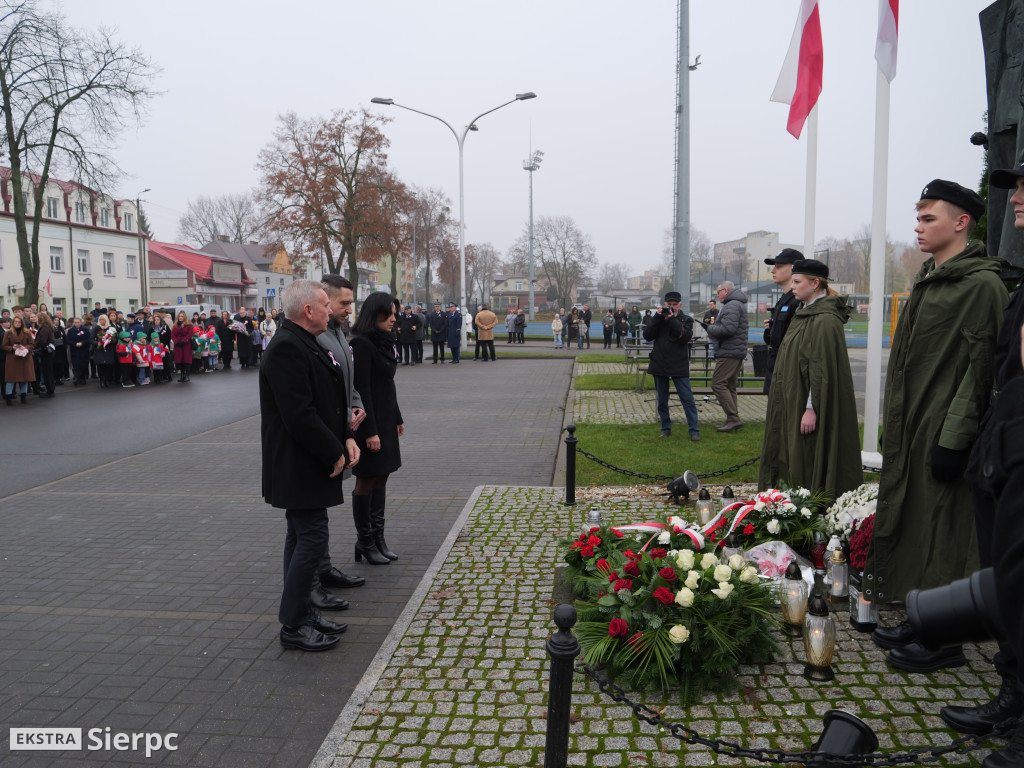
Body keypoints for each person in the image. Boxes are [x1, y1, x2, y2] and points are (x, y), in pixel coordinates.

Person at [864, 179, 1008, 674]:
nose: (919, 227)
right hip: (913, 425)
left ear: (961, 222)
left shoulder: (981, 285)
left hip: (945, 429)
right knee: (913, 519)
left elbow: (980, 368)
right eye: (919, 218)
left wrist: (954, 437)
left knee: (945, 529)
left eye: (929, 218)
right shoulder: (932, 278)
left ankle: (946, 637)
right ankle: (921, 614)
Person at [938, 164, 1024, 755]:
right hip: (1007, 448)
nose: (1015, 198)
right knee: (1012, 582)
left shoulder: (990, 284)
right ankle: (1014, 696)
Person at [260, 279, 359, 652]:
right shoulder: (288, 347)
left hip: (308, 459)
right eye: (325, 304)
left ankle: (302, 614)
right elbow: (299, 414)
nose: (331, 310)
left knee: (301, 537)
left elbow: (326, 400)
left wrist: (345, 436)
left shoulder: (305, 341)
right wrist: (333, 449)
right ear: (309, 311)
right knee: (312, 538)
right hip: (299, 462)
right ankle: (294, 624)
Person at [758, 259, 860, 497]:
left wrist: (811, 407)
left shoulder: (824, 319)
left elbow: (821, 369)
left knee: (806, 454)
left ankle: (805, 504)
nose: (792, 287)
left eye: (797, 282)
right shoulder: (805, 312)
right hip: (793, 397)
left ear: (815, 284)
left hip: (806, 404)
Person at [314, 275, 368, 600]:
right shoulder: (319, 337)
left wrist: (356, 403)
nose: (350, 309)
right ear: (326, 301)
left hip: (339, 429)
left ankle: (323, 567)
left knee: (320, 511)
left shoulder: (338, 333)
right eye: (344, 303)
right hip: (325, 436)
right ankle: (316, 576)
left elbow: (346, 379)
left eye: (352, 302)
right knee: (313, 514)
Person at [349, 292, 404, 565]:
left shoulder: (385, 342)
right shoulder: (362, 344)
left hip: (385, 419)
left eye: (395, 313)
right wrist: (370, 431)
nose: (394, 318)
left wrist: (397, 417)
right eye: (389, 314)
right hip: (370, 423)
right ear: (375, 314)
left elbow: (387, 385)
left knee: (382, 476)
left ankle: (378, 539)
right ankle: (365, 541)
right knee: (367, 480)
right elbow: (363, 389)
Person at [644, 290, 700, 441]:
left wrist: (671, 319)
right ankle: (665, 428)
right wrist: (658, 317)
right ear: (664, 305)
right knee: (662, 399)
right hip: (660, 363)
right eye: (669, 305)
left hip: (679, 365)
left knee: (687, 399)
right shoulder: (659, 319)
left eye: (675, 305)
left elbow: (685, 337)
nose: (672, 307)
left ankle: (694, 430)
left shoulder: (686, 319)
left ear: (680, 305)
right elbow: (647, 335)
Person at [703, 281, 749, 432]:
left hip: (730, 351)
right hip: (735, 351)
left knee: (718, 384)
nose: (717, 295)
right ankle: (732, 420)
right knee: (730, 386)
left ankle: (734, 418)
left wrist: (710, 328)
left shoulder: (732, 305)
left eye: (719, 291)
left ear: (726, 290)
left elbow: (728, 329)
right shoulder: (736, 304)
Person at [762, 248, 803, 393]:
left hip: (786, 374)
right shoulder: (784, 300)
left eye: (778, 266)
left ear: (793, 268)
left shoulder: (797, 302)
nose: (773, 271)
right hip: (776, 369)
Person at [2, 314, 36, 405]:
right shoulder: (8, 333)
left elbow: (32, 345)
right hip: (12, 358)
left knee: (24, 378)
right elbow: (4, 346)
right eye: (16, 322)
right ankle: (8, 398)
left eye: (19, 322)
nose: (17, 323)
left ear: (22, 323)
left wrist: (24, 347)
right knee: (11, 379)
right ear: (13, 323)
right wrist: (12, 347)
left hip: (25, 358)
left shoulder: (27, 332)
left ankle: (23, 397)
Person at [34, 312, 57, 398]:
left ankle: (50, 391)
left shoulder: (44, 328)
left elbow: (42, 341)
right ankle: (50, 389)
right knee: (48, 371)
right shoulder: (47, 327)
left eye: (36, 317)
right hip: (48, 352)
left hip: (46, 353)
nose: (35, 319)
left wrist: (33, 345)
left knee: (47, 372)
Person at [92, 314, 118, 388]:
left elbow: (115, 339)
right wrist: (97, 343)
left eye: (103, 320)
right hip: (99, 350)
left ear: (106, 320)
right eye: (100, 320)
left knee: (108, 365)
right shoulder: (96, 328)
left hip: (108, 349)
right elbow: (91, 339)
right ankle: (102, 380)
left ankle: (107, 379)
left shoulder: (111, 328)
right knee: (100, 366)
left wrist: (110, 340)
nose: (102, 321)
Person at [66, 316, 90, 386]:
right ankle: (76, 378)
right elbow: (68, 340)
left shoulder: (85, 329)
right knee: (76, 365)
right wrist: (75, 344)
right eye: (75, 322)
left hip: (84, 350)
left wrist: (82, 343)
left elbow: (88, 339)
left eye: (78, 322)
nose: (77, 324)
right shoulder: (70, 331)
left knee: (83, 364)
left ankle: (82, 378)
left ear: (81, 322)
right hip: (74, 350)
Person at [171, 311, 193, 382]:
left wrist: (184, 341)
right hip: (178, 345)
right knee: (179, 360)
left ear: (185, 317)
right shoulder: (175, 325)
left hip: (186, 344)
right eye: (180, 316)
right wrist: (177, 341)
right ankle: (182, 375)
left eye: (182, 316)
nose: (181, 318)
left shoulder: (189, 325)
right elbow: (173, 334)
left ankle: (187, 375)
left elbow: (189, 334)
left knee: (186, 360)